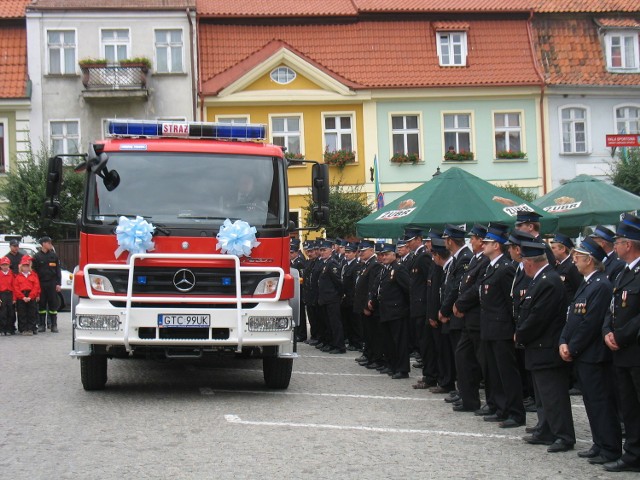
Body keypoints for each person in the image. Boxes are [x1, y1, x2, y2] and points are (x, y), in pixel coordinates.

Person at [559, 237, 621, 465]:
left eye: (578, 256)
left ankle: (610, 447)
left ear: (590, 260)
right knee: (591, 402)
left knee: (601, 403)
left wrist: (572, 347)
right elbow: (572, 316)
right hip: (583, 355)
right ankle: (599, 443)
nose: (574, 260)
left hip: (594, 355)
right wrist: (564, 340)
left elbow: (591, 323)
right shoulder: (587, 283)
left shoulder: (601, 285)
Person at [516, 241, 575, 453]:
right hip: (538, 347)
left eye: (523, 261)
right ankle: (546, 428)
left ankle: (563, 435)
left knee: (553, 395)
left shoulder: (548, 281)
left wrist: (520, 334)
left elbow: (538, 317)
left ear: (529, 263)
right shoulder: (540, 279)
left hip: (546, 346)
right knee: (543, 395)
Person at [601, 220, 640, 473]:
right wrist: (607, 331)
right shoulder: (624, 271)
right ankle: (633, 455)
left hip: (635, 349)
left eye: (617, 242)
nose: (614, 246)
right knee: (630, 407)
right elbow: (613, 306)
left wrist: (621, 335)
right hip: (622, 351)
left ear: (628, 244)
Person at [479, 225, 524, 429]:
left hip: (502, 328)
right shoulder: (491, 266)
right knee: (494, 372)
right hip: (490, 327)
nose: (483, 245)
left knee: (506, 372)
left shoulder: (505, 268)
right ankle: (500, 407)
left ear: (496, 245)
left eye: (487, 242)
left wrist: (514, 328)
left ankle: (515, 412)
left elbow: (511, 301)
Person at [451, 224, 489, 412]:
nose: (471, 240)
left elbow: (477, 288)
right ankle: (468, 399)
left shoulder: (485, 261)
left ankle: (490, 402)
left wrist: (460, 303)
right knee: (463, 356)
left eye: (473, 238)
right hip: (468, 319)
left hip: (477, 317)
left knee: (483, 362)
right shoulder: (476, 259)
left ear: (482, 241)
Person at [371, 242, 411, 379]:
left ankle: (402, 369)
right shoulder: (385, 269)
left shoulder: (399, 269)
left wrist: (403, 307)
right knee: (389, 341)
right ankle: (393, 365)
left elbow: (408, 289)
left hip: (397, 311)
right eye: (382, 254)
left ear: (394, 254)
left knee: (399, 342)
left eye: (387, 254)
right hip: (386, 311)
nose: (384, 257)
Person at [317, 239, 345, 354]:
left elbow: (338, 282)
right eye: (321, 250)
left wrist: (337, 296)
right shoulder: (325, 263)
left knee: (335, 324)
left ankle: (339, 346)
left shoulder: (332, 263)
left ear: (331, 250)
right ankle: (331, 343)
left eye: (324, 250)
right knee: (328, 324)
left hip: (332, 299)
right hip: (325, 299)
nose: (322, 252)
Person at [32, 236, 61, 333]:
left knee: (53, 304)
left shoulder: (54, 256)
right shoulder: (36, 257)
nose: (50, 244)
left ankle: (53, 325)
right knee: (42, 305)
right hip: (41, 283)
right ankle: (41, 325)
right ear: (43, 244)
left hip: (52, 283)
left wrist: (58, 283)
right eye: (49, 243)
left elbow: (58, 270)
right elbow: (34, 272)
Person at [13, 256, 40, 336]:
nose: (26, 268)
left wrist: (30, 296)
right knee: (22, 313)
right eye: (24, 266)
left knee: (31, 313)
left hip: (30, 295)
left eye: (27, 266)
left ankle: (31, 328)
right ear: (21, 267)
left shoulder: (33, 276)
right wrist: (22, 297)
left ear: (29, 267)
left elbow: (36, 286)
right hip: (22, 296)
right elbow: (16, 288)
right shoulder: (18, 277)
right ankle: (23, 329)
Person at [290, 238, 307, 342]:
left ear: (296, 252)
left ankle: (302, 334)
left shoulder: (299, 262)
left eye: (292, 252)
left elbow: (301, 278)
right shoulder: (292, 261)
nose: (290, 254)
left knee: (300, 314)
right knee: (295, 313)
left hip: (299, 291)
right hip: (294, 291)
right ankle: (297, 332)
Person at [0, 256, 15, 335]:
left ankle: (10, 329)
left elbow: (14, 286)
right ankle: (2, 329)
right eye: (3, 265)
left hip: (10, 294)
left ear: (9, 265)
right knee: (2, 312)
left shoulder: (12, 274)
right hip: (2, 294)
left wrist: (14, 298)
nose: (5, 267)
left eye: (6, 265)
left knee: (11, 312)